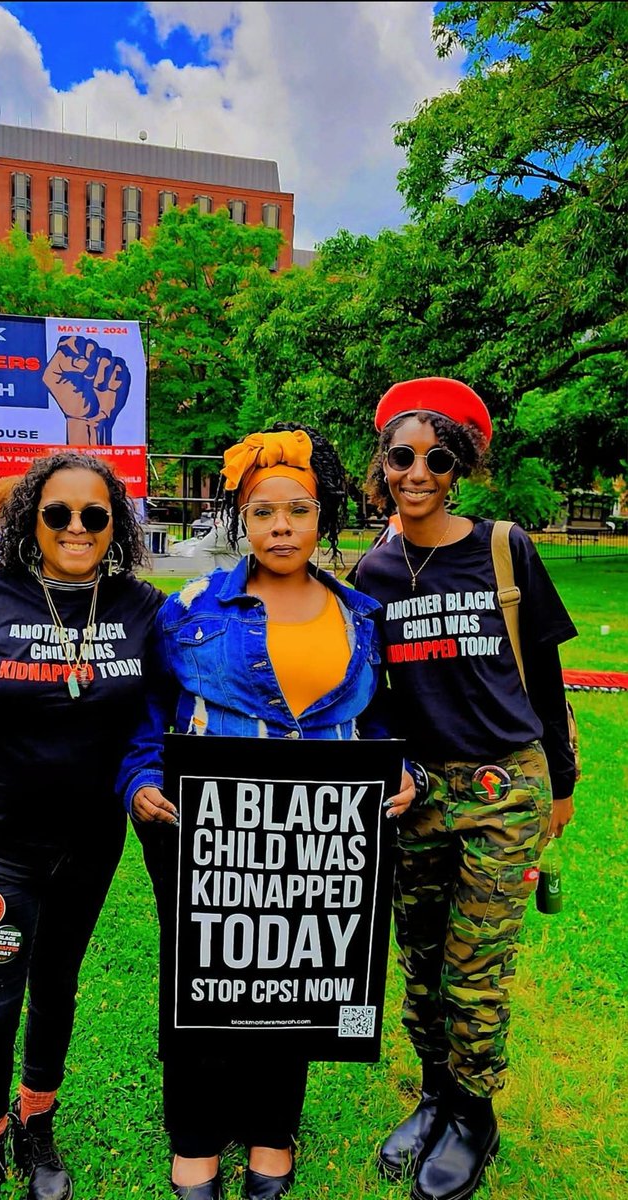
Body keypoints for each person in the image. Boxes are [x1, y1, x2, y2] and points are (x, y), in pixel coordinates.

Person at [117, 423, 415, 1200]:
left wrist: (400, 772)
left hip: (323, 839)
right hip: (203, 829)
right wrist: (141, 777)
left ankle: (272, 1139)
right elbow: (150, 713)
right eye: (262, 512)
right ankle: (194, 1145)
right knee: (203, 982)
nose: (281, 525)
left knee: (300, 982)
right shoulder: (187, 609)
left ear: (324, 518)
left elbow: (379, 723)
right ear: (241, 521)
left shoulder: (360, 615)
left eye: (299, 509)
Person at [0, 452, 164, 1200]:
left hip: (89, 848)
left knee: (57, 989)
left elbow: (194, 687)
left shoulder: (139, 606)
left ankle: (36, 1122)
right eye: (58, 513)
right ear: (30, 519)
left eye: (95, 514)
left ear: (115, 523)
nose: (76, 527)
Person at [355, 378, 577, 1200]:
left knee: (474, 965)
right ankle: (438, 1094)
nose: (418, 471)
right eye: (403, 456)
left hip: (504, 786)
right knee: (420, 958)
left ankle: (476, 1115)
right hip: (418, 793)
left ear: (460, 468)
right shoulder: (372, 569)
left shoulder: (502, 547)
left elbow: (546, 671)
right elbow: (366, 692)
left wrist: (562, 777)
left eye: (436, 458)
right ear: (384, 465)